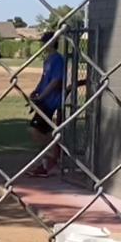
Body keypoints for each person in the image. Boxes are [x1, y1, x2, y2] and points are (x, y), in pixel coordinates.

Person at [26, 29, 74, 178]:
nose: (43, 45)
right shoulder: (48, 60)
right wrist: (36, 92)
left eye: (45, 42)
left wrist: (43, 96)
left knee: (36, 131)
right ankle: (49, 158)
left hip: (51, 101)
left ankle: (51, 158)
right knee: (38, 131)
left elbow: (56, 81)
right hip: (44, 99)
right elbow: (44, 79)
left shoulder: (57, 59)